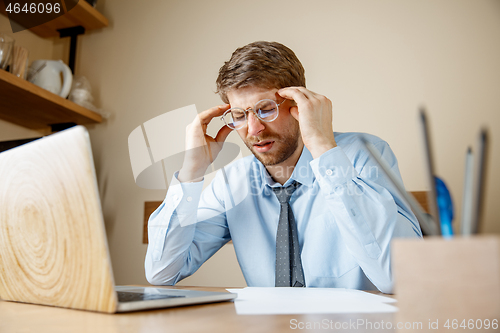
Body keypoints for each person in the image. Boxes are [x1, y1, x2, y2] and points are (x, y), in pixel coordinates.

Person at [145, 41, 421, 293]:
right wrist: (192, 171)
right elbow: (161, 273)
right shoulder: (233, 182)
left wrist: (323, 148)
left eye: (265, 109)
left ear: (299, 102)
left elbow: (397, 277)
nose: (253, 130)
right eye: (240, 115)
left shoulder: (364, 154)